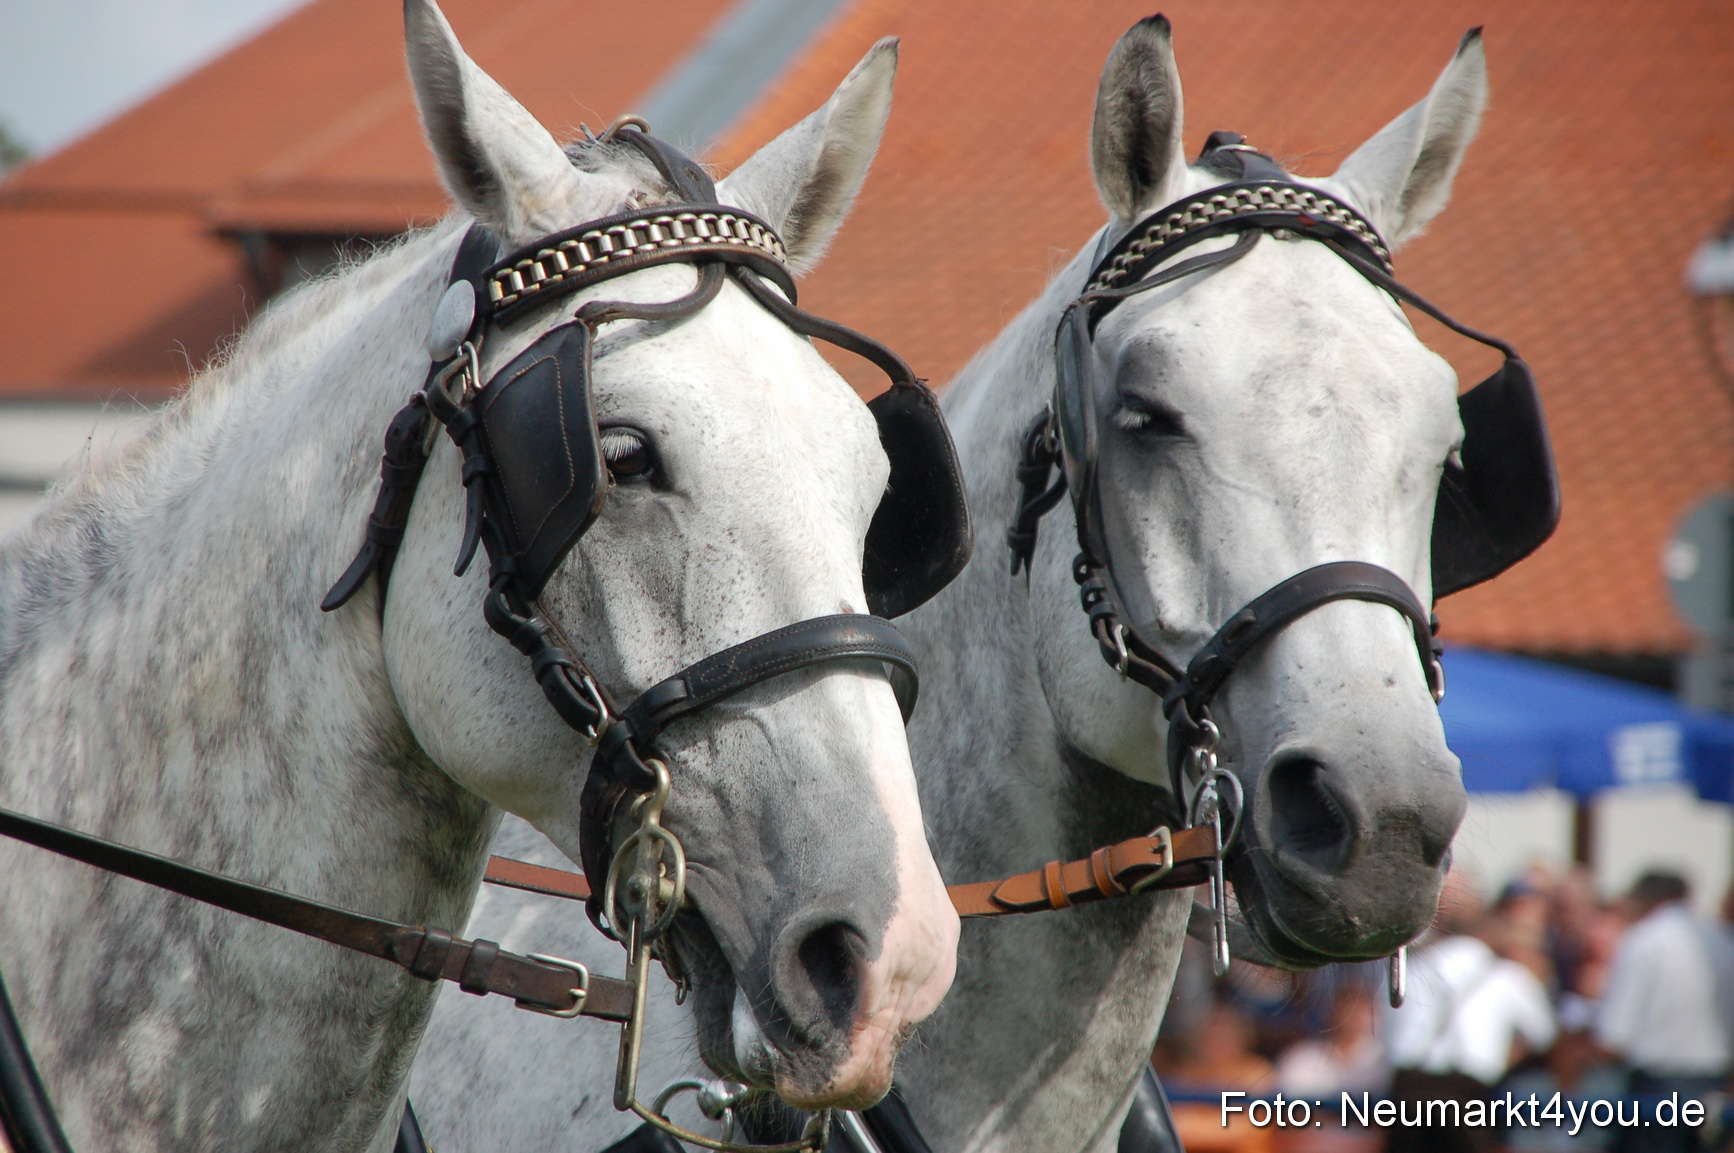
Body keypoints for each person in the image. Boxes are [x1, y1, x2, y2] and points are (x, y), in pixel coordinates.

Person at [1383, 867, 1557, 1153]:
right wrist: (1504, 1055)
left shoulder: (1413, 967)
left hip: (1407, 1088)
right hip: (1464, 1091)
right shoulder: (1507, 975)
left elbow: (1387, 1033)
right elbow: (1544, 1035)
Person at [1595, 871, 1731, 1153]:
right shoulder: (1721, 940)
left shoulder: (1644, 940)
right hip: (1715, 1082)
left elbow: (1616, 1033)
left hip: (1656, 1086)